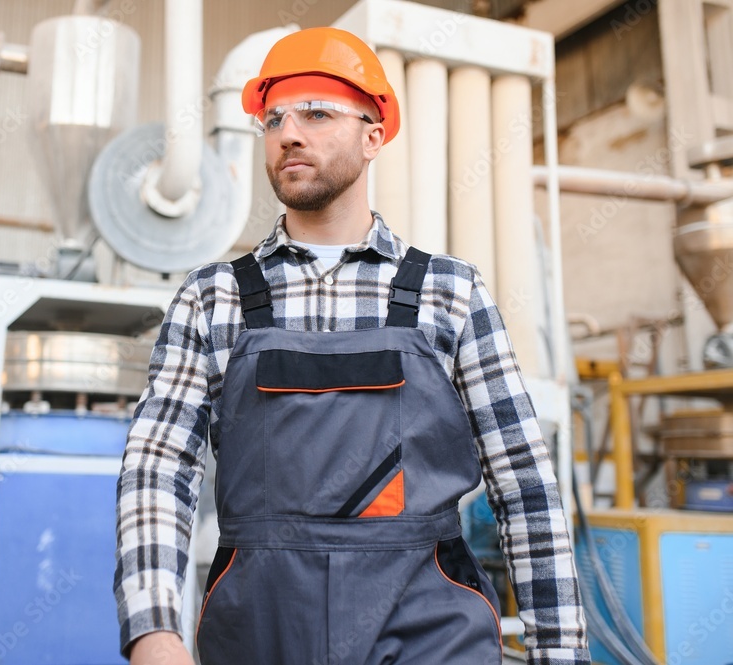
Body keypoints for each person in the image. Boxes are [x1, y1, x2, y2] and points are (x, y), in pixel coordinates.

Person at [115, 26, 590, 665]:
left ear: (373, 137)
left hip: (430, 637)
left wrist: (558, 650)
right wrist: (153, 628)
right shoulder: (212, 298)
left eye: (316, 112)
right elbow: (157, 465)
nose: (288, 132)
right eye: (274, 117)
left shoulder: (449, 293)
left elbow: (524, 481)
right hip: (261, 632)